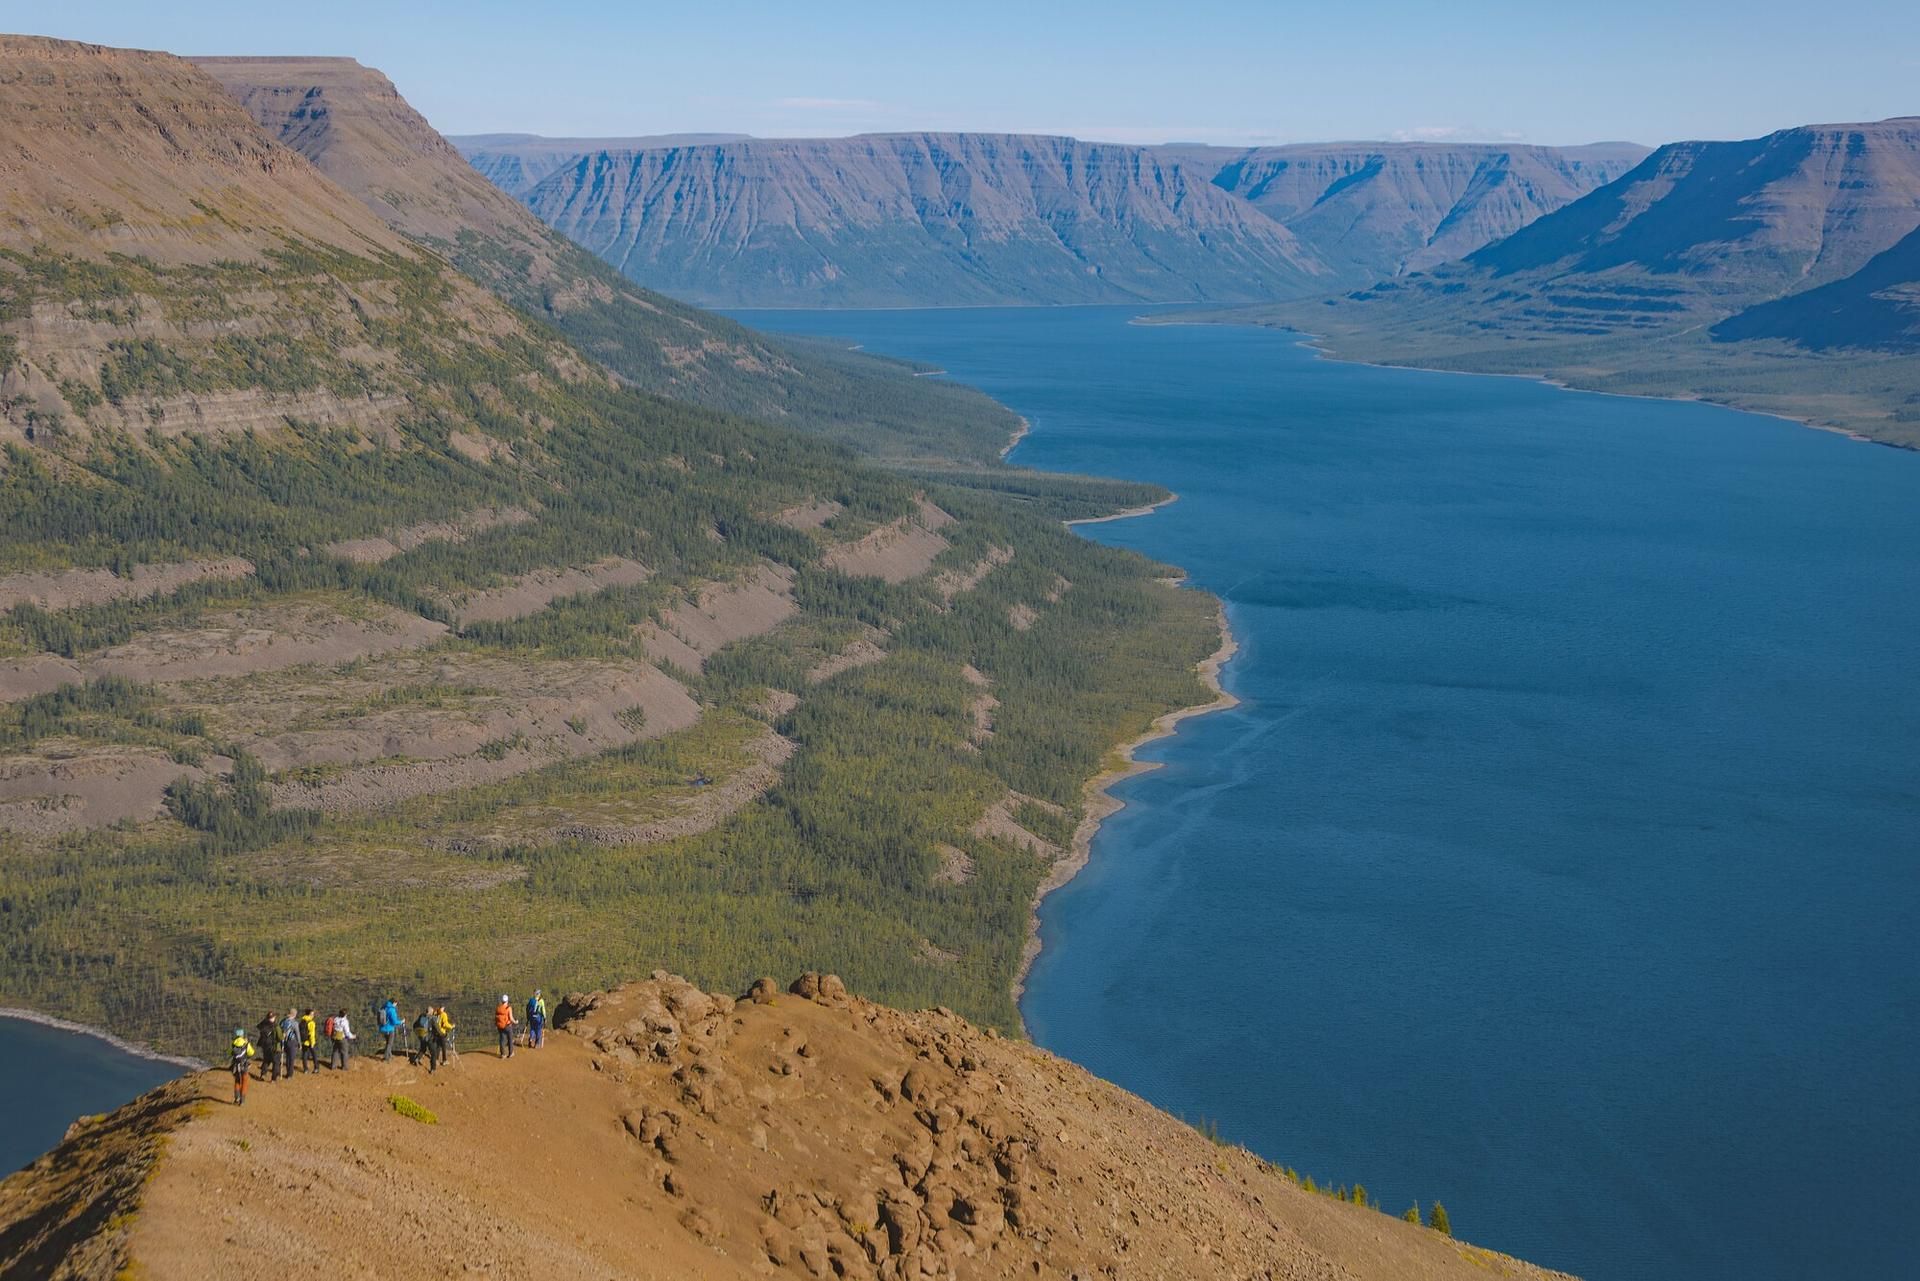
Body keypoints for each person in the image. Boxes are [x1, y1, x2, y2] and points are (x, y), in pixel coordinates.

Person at [228, 1028, 256, 1106]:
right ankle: (242, 1100)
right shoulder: (245, 1043)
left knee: (237, 1081)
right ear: (242, 1035)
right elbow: (251, 1053)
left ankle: (237, 1098)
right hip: (244, 1065)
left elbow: (229, 1052)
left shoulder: (233, 1043)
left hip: (235, 1065)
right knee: (244, 1081)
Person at [255, 1011, 280, 1081]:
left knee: (266, 1060)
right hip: (273, 1046)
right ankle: (273, 1079)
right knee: (276, 1062)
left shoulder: (263, 1024)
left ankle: (263, 1074)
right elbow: (280, 1037)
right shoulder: (275, 1026)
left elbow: (258, 1026)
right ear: (274, 1017)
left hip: (264, 1045)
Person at [377, 997, 402, 1061]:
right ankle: (386, 1057)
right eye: (396, 1004)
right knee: (389, 1043)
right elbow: (394, 1021)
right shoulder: (391, 1010)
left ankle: (389, 1055)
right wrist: (401, 1022)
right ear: (394, 1003)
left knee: (388, 1042)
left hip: (382, 1028)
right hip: (389, 1029)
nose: (396, 1005)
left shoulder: (384, 1006)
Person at [414, 1006, 438, 1071]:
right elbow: (436, 1029)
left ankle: (417, 1059)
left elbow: (415, 1025)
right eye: (432, 1012)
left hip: (422, 1037)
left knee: (423, 1049)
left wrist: (418, 1033)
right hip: (429, 1038)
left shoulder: (421, 1017)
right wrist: (441, 1034)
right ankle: (433, 1068)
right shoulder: (432, 1018)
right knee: (433, 1053)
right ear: (430, 1012)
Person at [494, 994, 517, 1059]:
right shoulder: (508, 1008)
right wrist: (515, 1022)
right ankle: (511, 1053)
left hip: (500, 1026)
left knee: (502, 1040)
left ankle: (503, 1054)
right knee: (510, 1039)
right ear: (507, 1000)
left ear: (502, 1001)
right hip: (507, 1026)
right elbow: (511, 1018)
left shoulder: (498, 1008)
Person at [298, 1008, 319, 1074]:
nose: (313, 1015)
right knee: (314, 1055)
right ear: (309, 1014)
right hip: (310, 1041)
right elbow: (311, 1034)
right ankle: (316, 1068)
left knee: (304, 1055)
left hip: (304, 1041)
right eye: (312, 1014)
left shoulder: (302, 1021)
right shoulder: (311, 1022)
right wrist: (312, 1043)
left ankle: (305, 1069)